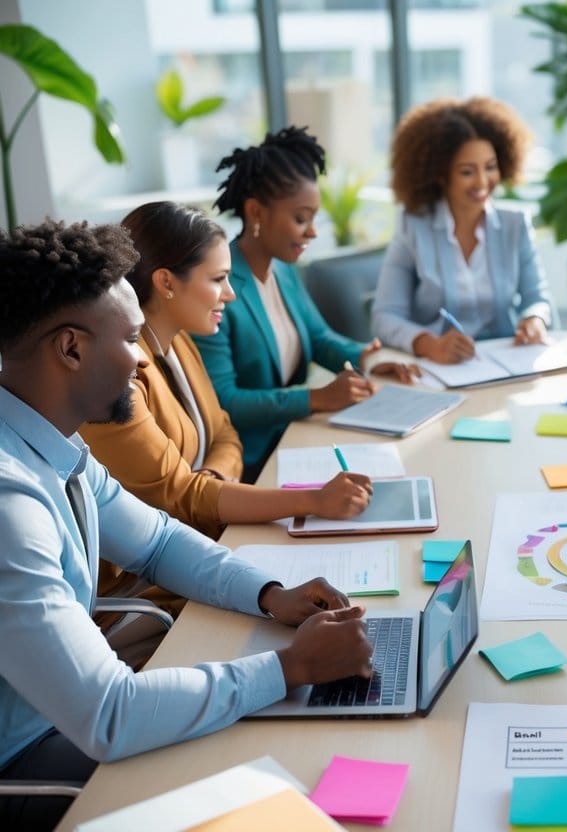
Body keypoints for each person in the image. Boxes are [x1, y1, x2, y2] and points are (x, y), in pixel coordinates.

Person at [0, 220, 373, 831]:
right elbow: (110, 716)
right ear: (69, 349)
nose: (143, 361)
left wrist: (269, 594)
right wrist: (290, 667)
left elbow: (160, 540)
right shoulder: (9, 503)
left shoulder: (54, 445)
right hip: (34, 765)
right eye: (129, 339)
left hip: (69, 722)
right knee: (273, 774)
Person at [80, 202, 373, 547]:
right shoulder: (119, 380)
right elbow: (180, 494)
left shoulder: (182, 342)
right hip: (157, 576)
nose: (230, 294)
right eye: (218, 279)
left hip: (210, 535)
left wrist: (216, 478)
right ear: (166, 282)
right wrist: (312, 500)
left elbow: (225, 432)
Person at [195, 126, 420, 479]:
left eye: (314, 219)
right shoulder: (219, 285)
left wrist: (368, 358)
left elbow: (318, 338)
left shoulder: (284, 271)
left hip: (293, 437)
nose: (312, 232)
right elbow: (225, 400)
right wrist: (316, 399)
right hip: (251, 458)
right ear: (256, 212)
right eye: (301, 219)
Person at [371, 97, 556, 363]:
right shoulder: (412, 226)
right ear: (440, 174)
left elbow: (537, 297)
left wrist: (533, 319)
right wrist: (428, 344)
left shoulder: (516, 224)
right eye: (467, 172)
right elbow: (385, 316)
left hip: (508, 361)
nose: (483, 181)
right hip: (442, 367)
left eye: (490, 167)